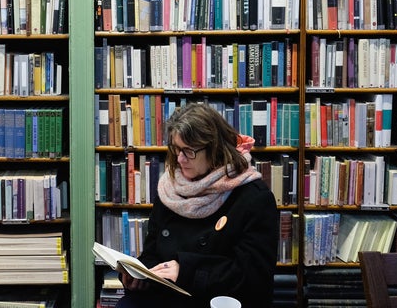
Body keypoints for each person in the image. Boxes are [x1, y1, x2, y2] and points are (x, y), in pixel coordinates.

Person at [116, 102, 278, 308]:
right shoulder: (171, 189)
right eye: (176, 149)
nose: (181, 159)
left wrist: (186, 270)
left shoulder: (253, 198)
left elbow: (252, 278)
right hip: (167, 296)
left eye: (189, 151)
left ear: (215, 149)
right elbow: (153, 252)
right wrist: (140, 274)